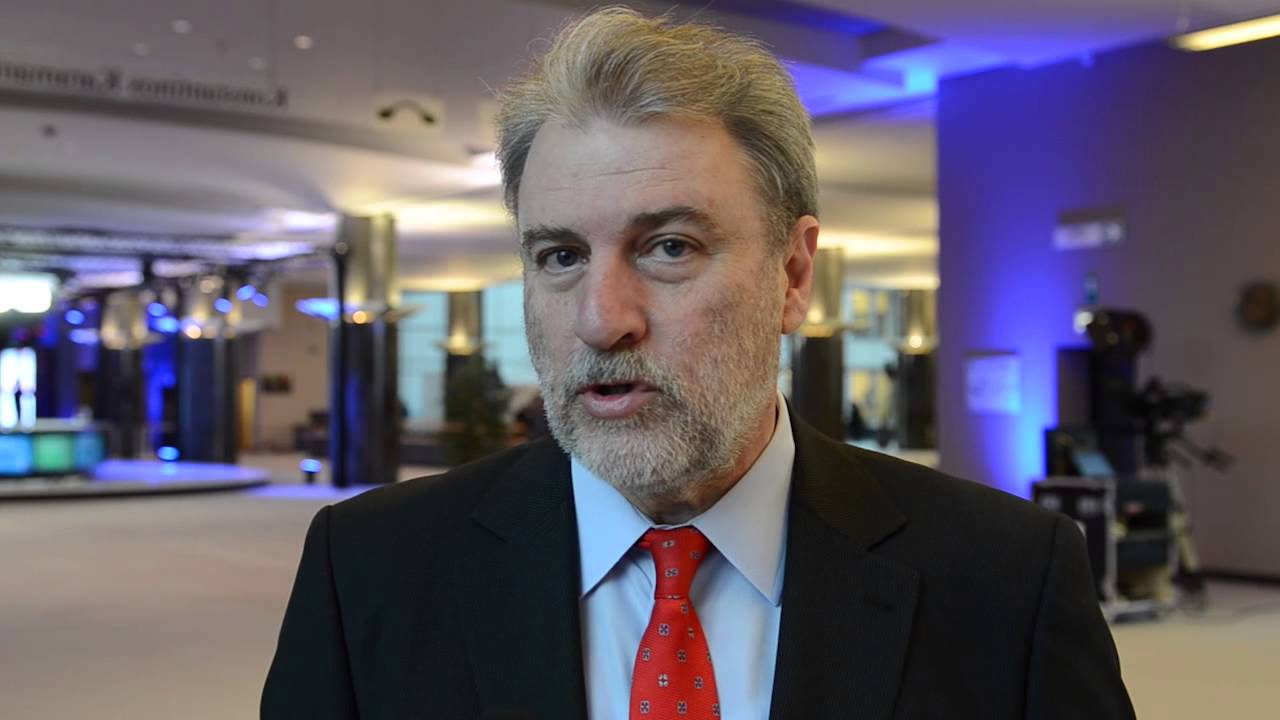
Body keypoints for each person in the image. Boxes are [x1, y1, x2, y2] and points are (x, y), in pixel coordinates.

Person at [262, 8, 1135, 719]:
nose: (602, 320)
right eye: (560, 256)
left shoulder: (1006, 579)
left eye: (669, 247)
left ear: (793, 275)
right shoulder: (369, 569)